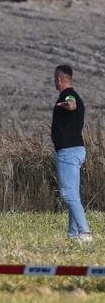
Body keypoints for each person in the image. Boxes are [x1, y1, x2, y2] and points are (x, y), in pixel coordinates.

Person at [52, 64, 91, 242]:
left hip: (68, 151)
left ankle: (85, 232)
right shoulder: (74, 95)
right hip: (76, 150)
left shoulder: (69, 95)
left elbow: (71, 103)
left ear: (59, 79)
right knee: (73, 194)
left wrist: (69, 105)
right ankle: (73, 235)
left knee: (68, 194)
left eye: (55, 78)